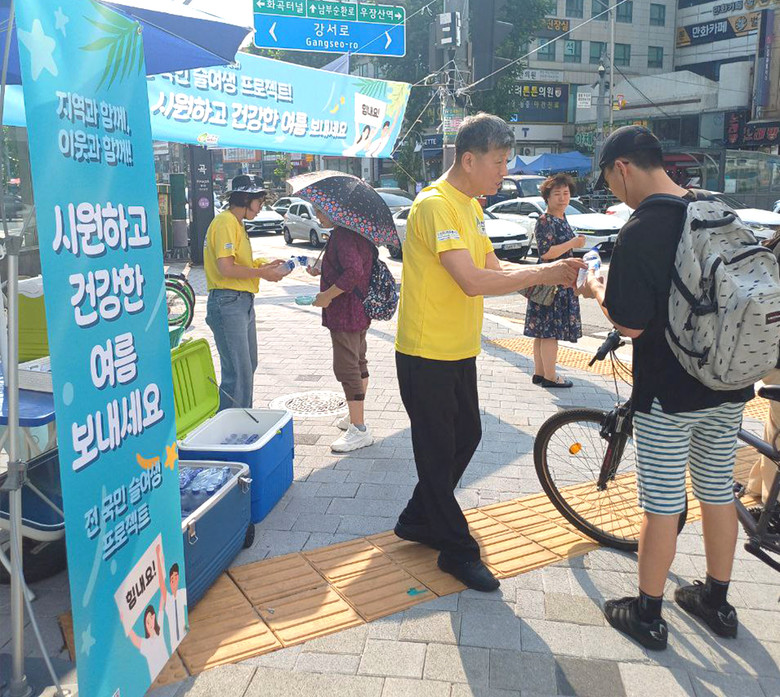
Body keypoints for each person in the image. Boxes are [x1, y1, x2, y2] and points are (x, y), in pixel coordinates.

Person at [394, 113, 585, 592]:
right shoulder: (435, 205)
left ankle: (418, 517)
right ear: (468, 159)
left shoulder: (471, 207)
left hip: (459, 349)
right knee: (437, 453)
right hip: (426, 352)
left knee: (469, 435)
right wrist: (542, 274)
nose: (505, 171)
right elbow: (471, 280)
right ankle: (456, 549)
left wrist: (553, 277)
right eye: (499, 162)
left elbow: (494, 269)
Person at [581, 125, 754, 649]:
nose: (615, 192)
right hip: (728, 381)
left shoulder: (643, 228)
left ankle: (648, 613)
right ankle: (716, 602)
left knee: (661, 503)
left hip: (667, 394)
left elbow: (629, 324)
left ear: (622, 168)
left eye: (611, 182)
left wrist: (595, 287)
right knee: (717, 491)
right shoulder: (714, 208)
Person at [204, 175, 289, 410]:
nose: (261, 207)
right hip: (228, 302)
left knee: (248, 365)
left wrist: (265, 266)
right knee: (238, 372)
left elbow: (239, 263)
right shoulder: (225, 222)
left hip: (240, 301)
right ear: (246, 199)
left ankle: (239, 419)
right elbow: (226, 268)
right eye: (259, 201)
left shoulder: (237, 223)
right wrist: (262, 273)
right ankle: (233, 424)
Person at [307, 207, 376, 453]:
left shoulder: (343, 235)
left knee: (347, 368)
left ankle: (359, 429)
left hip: (345, 312)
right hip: (358, 309)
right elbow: (352, 267)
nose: (318, 216)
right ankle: (354, 416)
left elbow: (354, 272)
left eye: (320, 211)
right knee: (358, 362)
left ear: (335, 211)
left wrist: (327, 295)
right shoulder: (355, 232)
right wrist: (322, 270)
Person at [524, 173, 585, 388]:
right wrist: (573, 243)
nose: (562, 198)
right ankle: (551, 377)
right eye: (557, 194)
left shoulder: (561, 218)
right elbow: (547, 253)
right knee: (549, 332)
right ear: (547, 198)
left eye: (566, 193)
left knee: (542, 331)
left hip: (556, 280)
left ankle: (540, 373)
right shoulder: (545, 220)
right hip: (551, 283)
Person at [124, 603, 169, 682]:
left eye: (151, 618)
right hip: (157, 679)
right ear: (145, 626)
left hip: (167, 669)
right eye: (147, 622)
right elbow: (135, 639)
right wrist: (124, 621)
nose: (150, 624)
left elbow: (161, 606)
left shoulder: (160, 632)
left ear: (154, 617)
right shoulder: (146, 644)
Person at [158, 544, 187, 649]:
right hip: (174, 644)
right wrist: (157, 556)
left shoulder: (182, 593)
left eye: (176, 577)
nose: (174, 580)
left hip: (185, 636)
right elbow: (161, 582)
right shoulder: (168, 599)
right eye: (172, 579)